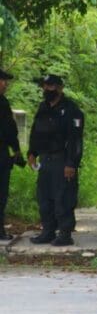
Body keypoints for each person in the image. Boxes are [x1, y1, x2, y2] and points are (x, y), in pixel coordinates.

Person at [27, 75, 84, 246]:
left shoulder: (71, 110)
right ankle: (48, 231)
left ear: (60, 88)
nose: (46, 89)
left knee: (63, 197)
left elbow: (75, 139)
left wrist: (71, 163)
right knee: (44, 197)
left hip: (62, 160)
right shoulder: (43, 107)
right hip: (45, 159)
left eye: (50, 86)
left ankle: (65, 234)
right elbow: (35, 132)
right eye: (44, 86)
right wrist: (32, 152)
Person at [0, 69, 23, 241]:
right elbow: (9, 129)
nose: (5, 84)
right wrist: (16, 149)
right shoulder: (2, 102)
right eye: (3, 81)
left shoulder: (3, 101)